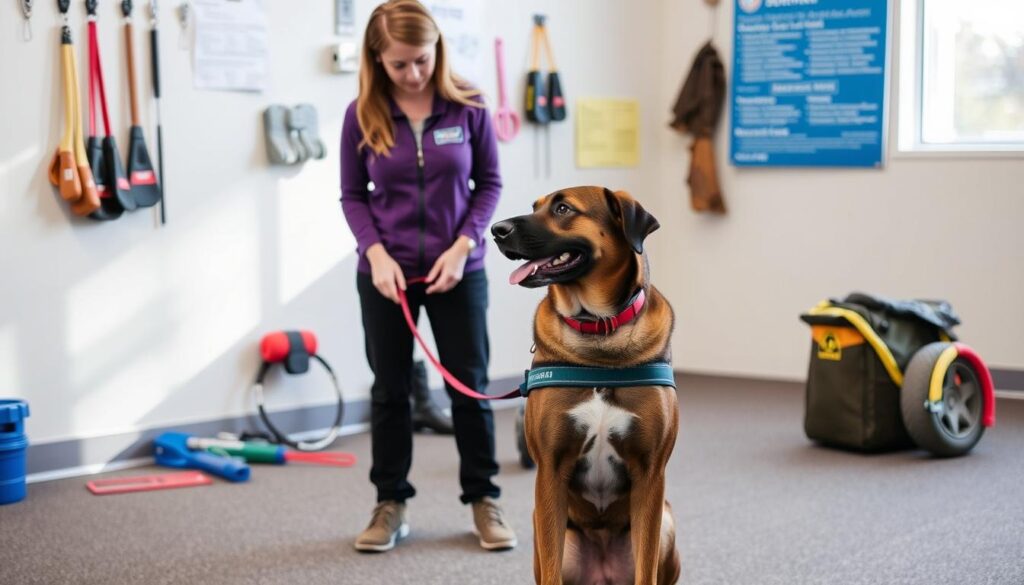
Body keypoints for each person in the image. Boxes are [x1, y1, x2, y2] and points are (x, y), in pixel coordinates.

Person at [339, 0, 514, 553]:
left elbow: (488, 184)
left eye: (421, 59)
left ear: (436, 50)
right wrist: (376, 253)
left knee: (469, 387)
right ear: (377, 61)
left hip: (458, 270)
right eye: (399, 65)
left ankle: (484, 499)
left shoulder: (468, 106)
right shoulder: (360, 114)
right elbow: (352, 195)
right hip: (386, 274)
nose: (413, 73)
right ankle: (390, 502)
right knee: (390, 392)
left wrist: (465, 246)